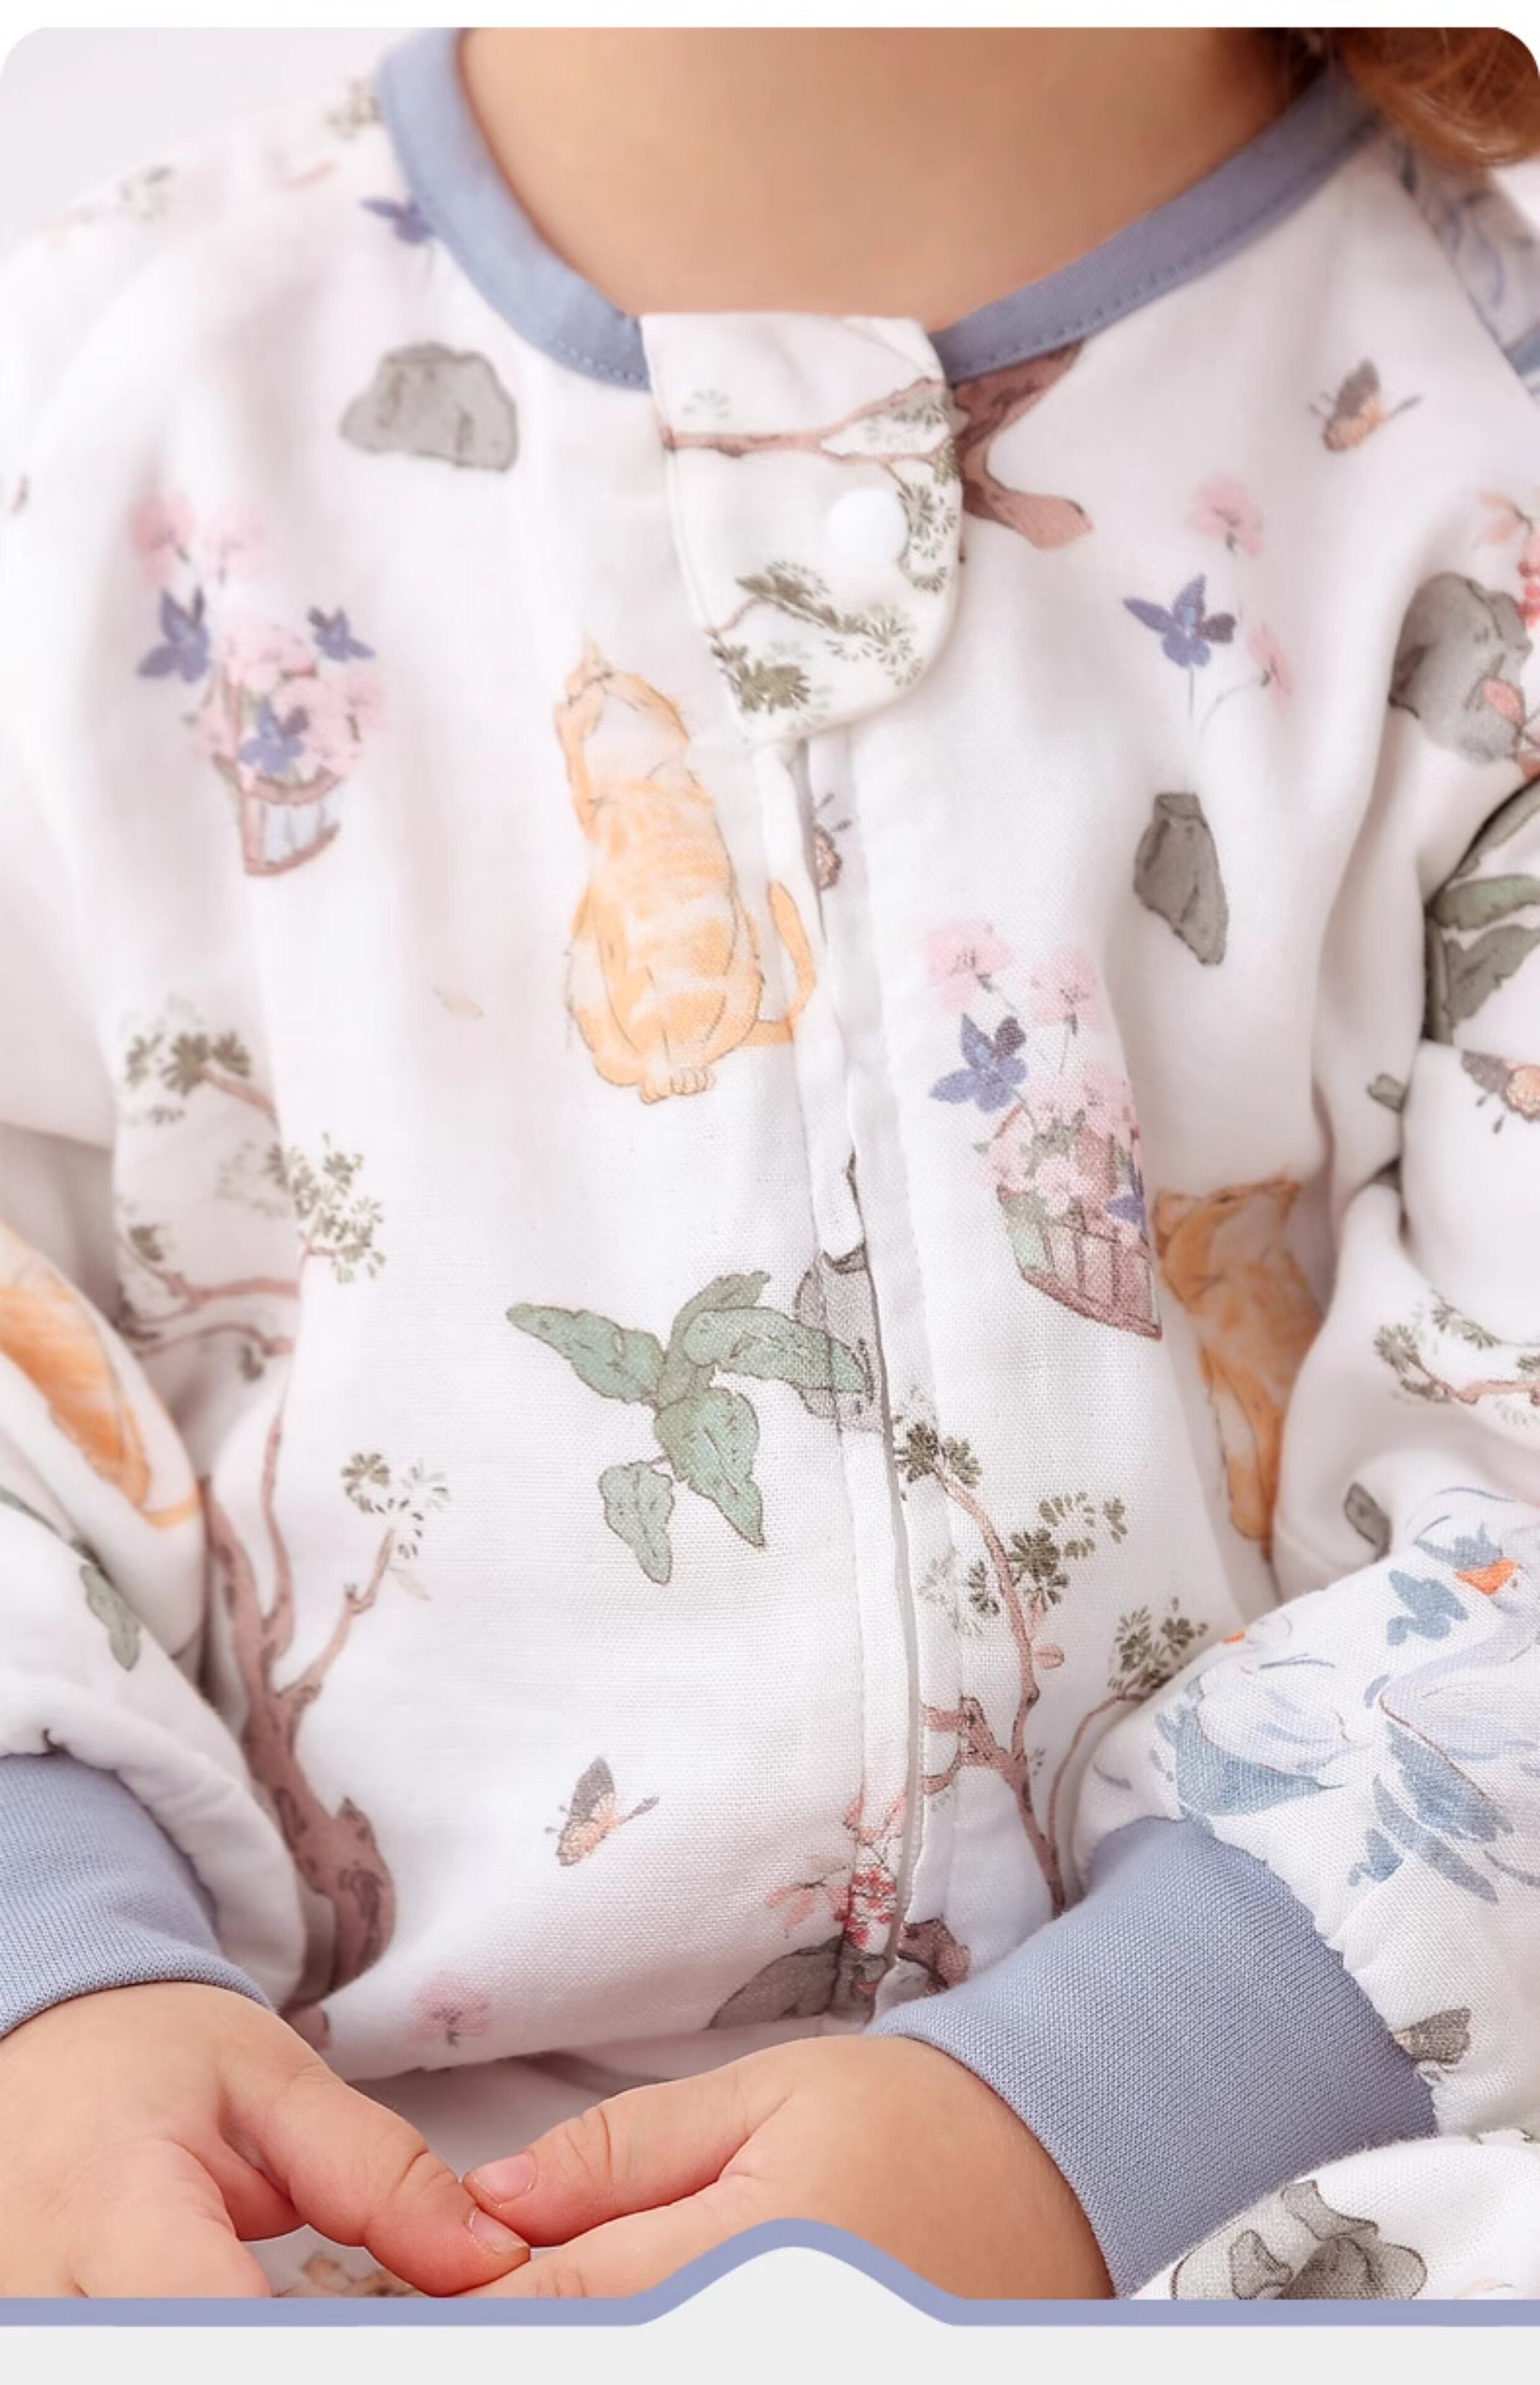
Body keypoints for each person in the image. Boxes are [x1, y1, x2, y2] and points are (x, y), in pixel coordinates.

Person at [1, 24, 1539, 2304]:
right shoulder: (101, 402)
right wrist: (52, 1976)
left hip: (1312, 2176)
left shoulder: (1479, 432)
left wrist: (1116, 2092)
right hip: (230, 2217)